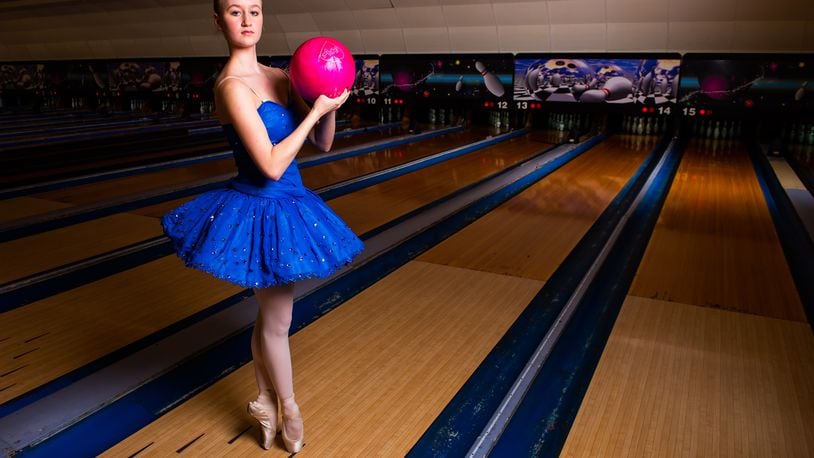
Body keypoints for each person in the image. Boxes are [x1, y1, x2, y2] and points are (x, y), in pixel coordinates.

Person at [160, 0, 364, 453]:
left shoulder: (280, 75)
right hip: (258, 208)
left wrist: (328, 105)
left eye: (254, 10)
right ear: (219, 21)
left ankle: (265, 403)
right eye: (235, 12)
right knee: (278, 321)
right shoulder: (231, 86)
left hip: (291, 206)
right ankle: (289, 408)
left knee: (271, 319)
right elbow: (271, 165)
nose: (247, 21)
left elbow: (322, 144)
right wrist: (312, 111)